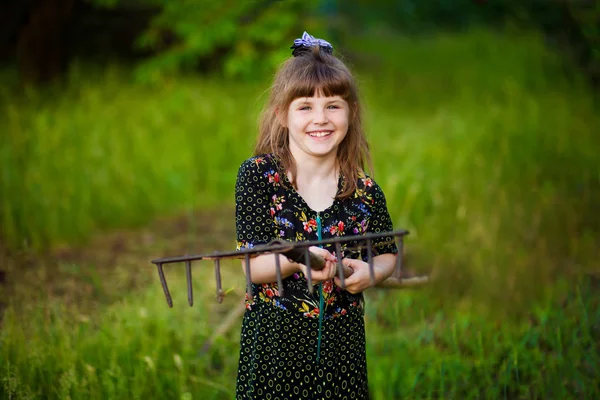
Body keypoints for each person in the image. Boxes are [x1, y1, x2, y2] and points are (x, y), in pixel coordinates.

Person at [234, 31, 398, 400]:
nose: (320, 119)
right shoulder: (260, 177)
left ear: (351, 111)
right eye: (305, 106)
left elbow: (386, 251)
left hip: (343, 349)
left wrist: (372, 272)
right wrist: (297, 262)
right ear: (282, 114)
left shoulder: (365, 191)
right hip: (275, 350)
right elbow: (253, 266)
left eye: (333, 105)